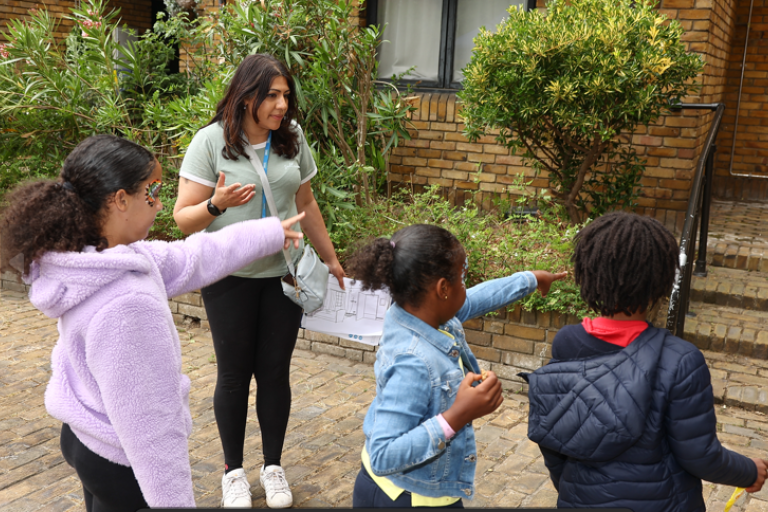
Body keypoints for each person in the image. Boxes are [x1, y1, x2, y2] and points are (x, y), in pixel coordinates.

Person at [0, 134, 304, 511]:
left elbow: (193, 257)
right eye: (152, 192)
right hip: (124, 462)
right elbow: (152, 427)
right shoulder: (129, 304)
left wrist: (266, 233)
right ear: (120, 199)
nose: (160, 204)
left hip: (85, 437)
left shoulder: (91, 261)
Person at [173, 53, 345, 508]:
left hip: (283, 277)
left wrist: (330, 258)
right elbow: (183, 220)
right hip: (228, 277)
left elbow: (306, 203)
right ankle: (232, 471)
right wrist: (216, 203)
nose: (282, 105)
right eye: (272, 95)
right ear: (246, 96)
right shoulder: (210, 143)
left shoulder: (291, 139)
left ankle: (273, 466)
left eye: (286, 95)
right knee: (233, 376)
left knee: (274, 374)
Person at [522, 211, 768, 512]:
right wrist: (750, 471)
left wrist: (574, 488)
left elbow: (556, 433)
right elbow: (699, 455)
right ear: (661, 281)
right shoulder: (682, 360)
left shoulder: (567, 343)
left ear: (587, 273)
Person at [344, 224, 566, 508]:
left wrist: (530, 280)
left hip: (417, 493)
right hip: (406, 499)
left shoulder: (415, 312)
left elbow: (476, 298)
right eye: (462, 278)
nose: (466, 286)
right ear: (443, 289)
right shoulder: (413, 360)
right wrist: (457, 416)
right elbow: (384, 454)